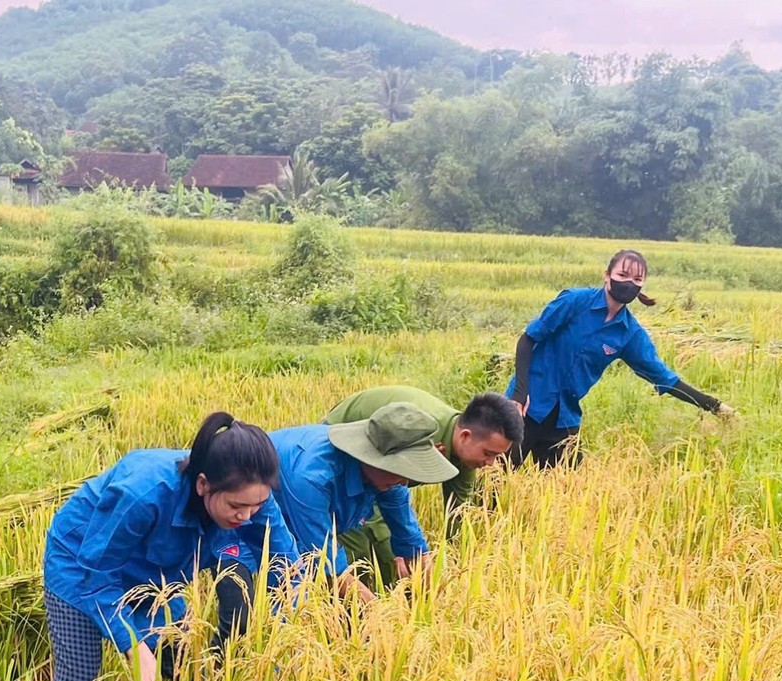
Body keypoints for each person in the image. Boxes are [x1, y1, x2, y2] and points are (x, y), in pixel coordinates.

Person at [36, 412, 303, 681]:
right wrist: (133, 646)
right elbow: (98, 574)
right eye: (237, 506)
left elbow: (288, 569)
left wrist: (291, 635)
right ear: (203, 484)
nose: (247, 517)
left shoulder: (254, 500)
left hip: (157, 576)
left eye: (256, 506)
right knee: (79, 677)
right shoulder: (143, 492)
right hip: (82, 565)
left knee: (188, 663)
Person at [507, 248, 735, 467]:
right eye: (622, 275)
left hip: (564, 417)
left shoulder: (629, 333)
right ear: (607, 276)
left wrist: (714, 406)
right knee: (493, 481)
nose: (629, 283)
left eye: (637, 279)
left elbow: (664, 378)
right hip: (526, 406)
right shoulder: (574, 302)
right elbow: (528, 339)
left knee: (565, 491)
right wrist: (520, 392)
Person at [322, 387, 523, 587]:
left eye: (497, 456)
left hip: (381, 474)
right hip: (345, 452)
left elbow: (458, 512)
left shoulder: (466, 456)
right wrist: (393, 550)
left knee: (405, 558)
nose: (491, 464)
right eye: (488, 453)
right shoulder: (419, 436)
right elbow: (381, 488)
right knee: (360, 552)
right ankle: (352, 610)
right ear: (465, 436)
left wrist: (456, 569)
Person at [270, 401, 460, 600]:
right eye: (401, 470)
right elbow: (328, 565)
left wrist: (436, 605)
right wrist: (381, 617)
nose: (405, 481)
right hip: (248, 523)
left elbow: (411, 542)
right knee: (290, 597)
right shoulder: (313, 478)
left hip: (302, 521)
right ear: (372, 458)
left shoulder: (391, 480)